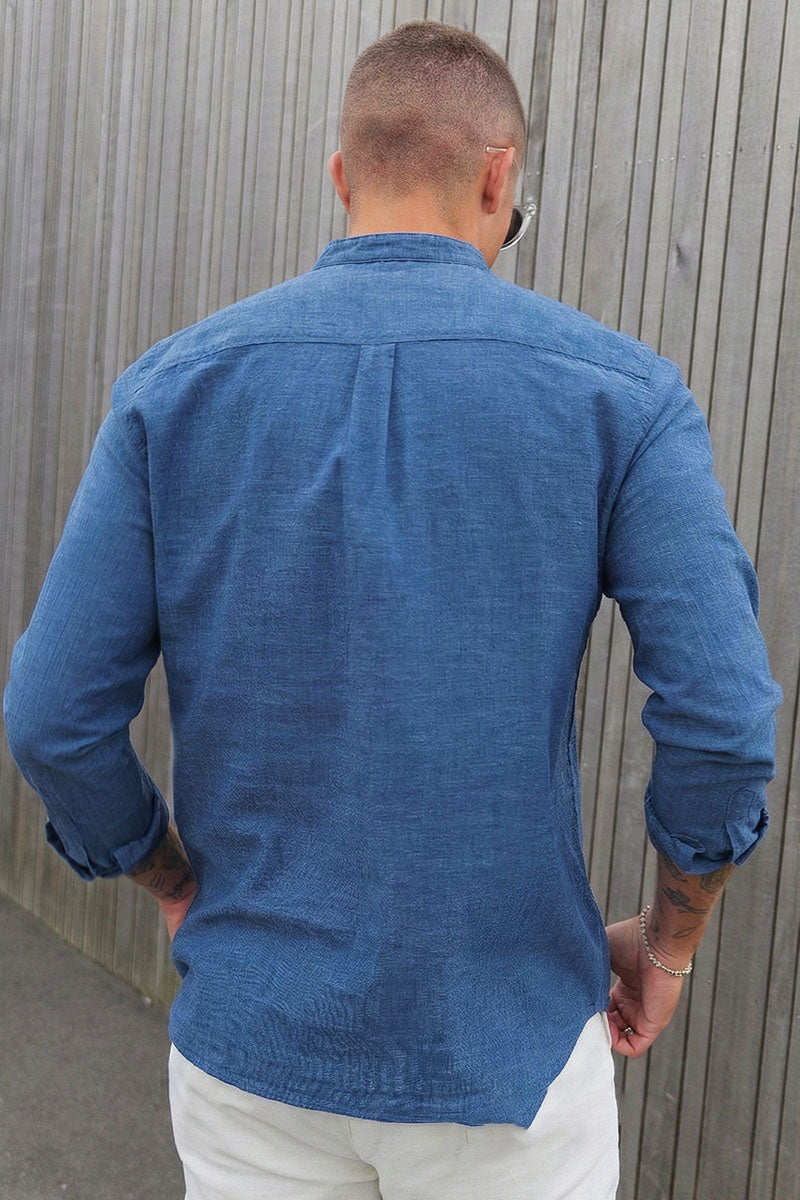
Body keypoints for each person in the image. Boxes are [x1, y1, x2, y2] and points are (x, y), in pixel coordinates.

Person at [3, 20, 781, 1200]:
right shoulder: (620, 398)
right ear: (497, 179)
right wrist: (667, 943)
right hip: (507, 1057)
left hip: (253, 1055)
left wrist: (170, 880)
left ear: (340, 175)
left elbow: (54, 715)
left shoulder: (173, 391)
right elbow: (721, 724)